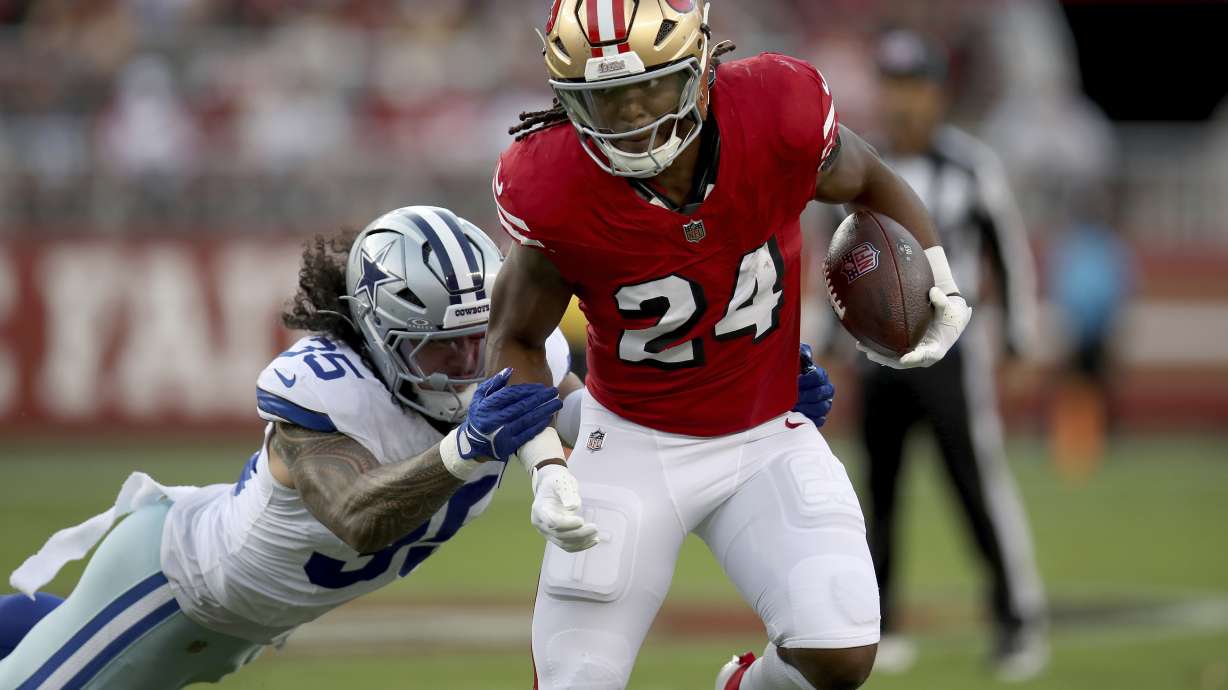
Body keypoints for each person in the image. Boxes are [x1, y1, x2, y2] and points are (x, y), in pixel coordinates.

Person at [486, 3, 972, 689]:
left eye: (647, 85)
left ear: (703, 64)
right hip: (630, 442)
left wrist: (937, 275)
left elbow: (869, 180)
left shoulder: (776, 111)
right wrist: (544, 466)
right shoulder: (554, 180)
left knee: (839, 644)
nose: (627, 114)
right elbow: (514, 335)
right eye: (602, 97)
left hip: (764, 433)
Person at [0, 205, 575, 689]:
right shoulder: (328, 389)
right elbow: (357, 516)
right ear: (381, 336)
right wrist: (467, 446)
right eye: (442, 346)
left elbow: (592, 420)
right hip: (169, 591)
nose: (471, 362)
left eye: (481, 336)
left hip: (233, 629)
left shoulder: (516, 349)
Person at [856, 30, 1047, 681]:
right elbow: (836, 265)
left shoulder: (969, 165)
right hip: (877, 354)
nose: (902, 100)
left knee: (975, 486)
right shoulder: (860, 164)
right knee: (877, 493)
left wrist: (1019, 339)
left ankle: (1017, 619)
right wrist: (828, 340)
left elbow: (1009, 254)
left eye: (914, 86)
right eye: (892, 85)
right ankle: (878, 624)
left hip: (951, 353)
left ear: (938, 93)